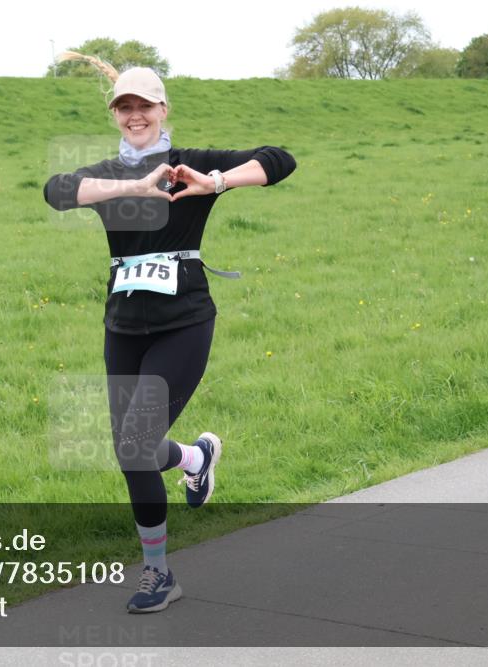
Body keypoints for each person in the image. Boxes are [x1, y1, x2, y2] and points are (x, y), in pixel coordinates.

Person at [43, 58, 297, 613]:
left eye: (145, 106)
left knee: (135, 444)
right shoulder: (110, 173)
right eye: (124, 107)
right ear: (116, 115)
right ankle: (194, 459)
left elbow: (281, 160)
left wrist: (218, 182)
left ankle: (158, 575)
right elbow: (55, 190)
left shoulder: (192, 165)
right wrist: (134, 184)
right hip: (123, 326)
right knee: (131, 450)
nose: (136, 116)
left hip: (184, 321)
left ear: (164, 110)